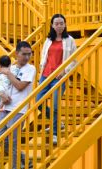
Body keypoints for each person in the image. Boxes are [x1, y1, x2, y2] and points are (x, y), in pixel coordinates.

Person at [0, 41, 36, 169]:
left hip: (18, 109)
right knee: (0, 138)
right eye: (24, 54)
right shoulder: (11, 68)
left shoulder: (30, 69)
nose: (26, 57)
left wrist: (9, 73)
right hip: (5, 108)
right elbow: (5, 85)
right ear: (16, 54)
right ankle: (24, 160)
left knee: (13, 143)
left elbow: (19, 86)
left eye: (29, 54)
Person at [37, 13, 77, 144]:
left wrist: (64, 70)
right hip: (45, 75)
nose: (59, 26)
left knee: (55, 105)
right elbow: (44, 57)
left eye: (61, 23)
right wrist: (40, 73)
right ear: (52, 25)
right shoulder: (48, 40)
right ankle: (57, 122)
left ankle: (54, 132)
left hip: (59, 77)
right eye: (56, 24)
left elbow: (73, 60)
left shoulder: (70, 40)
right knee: (38, 102)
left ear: (65, 24)